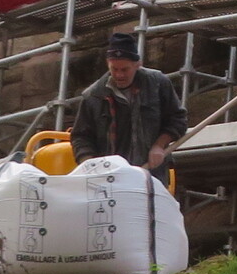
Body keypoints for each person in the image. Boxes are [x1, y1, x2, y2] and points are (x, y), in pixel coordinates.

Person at [68, 31, 185, 171]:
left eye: (125, 69)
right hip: (111, 176)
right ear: (107, 64)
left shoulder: (158, 84)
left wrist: (159, 146)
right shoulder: (93, 96)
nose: (119, 75)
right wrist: (91, 165)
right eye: (114, 69)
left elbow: (178, 120)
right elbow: (81, 137)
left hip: (152, 173)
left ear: (138, 64)